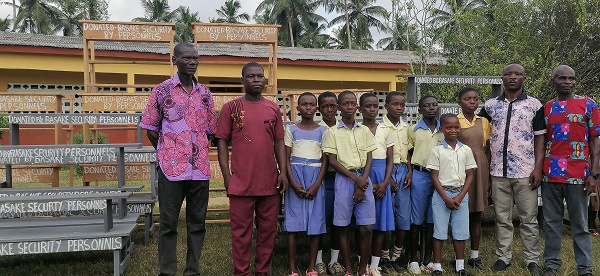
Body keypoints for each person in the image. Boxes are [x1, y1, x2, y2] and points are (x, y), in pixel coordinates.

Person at [140, 42, 217, 276]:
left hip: (200, 170)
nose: (192, 62)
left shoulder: (205, 93)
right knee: (168, 224)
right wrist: (166, 152)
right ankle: (167, 272)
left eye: (195, 58)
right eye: (187, 58)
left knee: (197, 224)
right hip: (171, 171)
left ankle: (192, 271)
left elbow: (210, 130)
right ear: (175, 61)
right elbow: (151, 129)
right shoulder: (162, 91)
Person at [216, 62, 288, 276]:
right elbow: (221, 141)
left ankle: (262, 271)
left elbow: (279, 142)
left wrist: (282, 172)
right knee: (241, 234)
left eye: (260, 76)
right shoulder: (231, 108)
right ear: (242, 81)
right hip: (241, 184)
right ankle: (242, 272)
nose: (256, 79)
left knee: (268, 233)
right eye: (251, 76)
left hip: (270, 183)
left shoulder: (273, 107)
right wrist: (227, 176)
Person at [479, 63, 543, 275]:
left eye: (518, 74)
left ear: (524, 78)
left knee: (529, 219)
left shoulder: (534, 105)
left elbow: (540, 138)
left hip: (526, 172)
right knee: (502, 218)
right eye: (508, 74)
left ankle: (532, 259)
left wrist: (538, 168)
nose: (513, 77)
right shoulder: (490, 106)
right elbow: (478, 133)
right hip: (498, 172)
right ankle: (503, 257)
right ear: (502, 78)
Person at [534, 65, 597, 276]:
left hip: (579, 174)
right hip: (550, 174)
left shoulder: (588, 105)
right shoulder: (547, 107)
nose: (567, 81)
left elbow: (596, 140)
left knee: (580, 224)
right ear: (554, 81)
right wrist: (538, 170)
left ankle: (585, 268)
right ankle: (551, 265)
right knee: (552, 223)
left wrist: (594, 174)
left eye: (571, 78)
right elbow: (542, 141)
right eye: (562, 78)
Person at [322, 91, 376, 276]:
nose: (350, 106)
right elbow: (333, 161)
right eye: (345, 103)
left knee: (366, 228)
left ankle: (363, 269)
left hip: (364, 179)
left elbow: (370, 157)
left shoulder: (365, 130)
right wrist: (355, 180)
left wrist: (362, 182)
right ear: (338, 107)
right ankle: (348, 268)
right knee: (342, 226)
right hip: (344, 179)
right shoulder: (332, 132)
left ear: (357, 107)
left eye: (353, 103)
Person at [427, 113, 477, 276]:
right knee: (439, 232)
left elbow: (470, 174)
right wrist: (446, 198)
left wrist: (461, 196)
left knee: (460, 232)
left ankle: (460, 267)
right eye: (448, 127)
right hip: (442, 195)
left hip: (460, 194)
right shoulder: (437, 150)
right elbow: (434, 176)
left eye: (456, 127)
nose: (453, 130)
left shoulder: (466, 150)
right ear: (441, 129)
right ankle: (437, 267)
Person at [284, 92, 328, 276]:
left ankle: (311, 267)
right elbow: (286, 158)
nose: (308, 107)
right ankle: (293, 268)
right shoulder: (291, 130)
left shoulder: (323, 131)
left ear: (316, 108)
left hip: (316, 176)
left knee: (316, 222)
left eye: (312, 104)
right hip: (296, 175)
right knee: (292, 225)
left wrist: (317, 184)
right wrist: (293, 182)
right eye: (304, 104)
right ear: (298, 107)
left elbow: (326, 160)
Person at [359, 93, 396, 276]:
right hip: (364, 175)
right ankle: (362, 262)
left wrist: (385, 182)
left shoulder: (385, 130)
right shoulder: (357, 129)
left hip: (382, 176)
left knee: (381, 222)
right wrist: (367, 182)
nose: (372, 110)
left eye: (375, 106)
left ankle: (375, 264)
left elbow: (390, 159)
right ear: (361, 109)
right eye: (368, 106)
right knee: (364, 223)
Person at [407, 95, 444, 274]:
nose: (431, 108)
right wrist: (409, 171)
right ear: (420, 109)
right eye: (427, 105)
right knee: (416, 219)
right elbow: (408, 152)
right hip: (420, 175)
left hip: (439, 177)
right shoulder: (413, 129)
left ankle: (427, 259)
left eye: (434, 105)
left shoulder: (443, 129)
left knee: (432, 220)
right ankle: (412, 259)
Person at [456, 87, 491, 270]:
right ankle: (459, 257)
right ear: (459, 102)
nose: (472, 102)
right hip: (460, 168)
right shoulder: (456, 121)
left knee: (476, 213)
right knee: (460, 212)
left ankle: (474, 255)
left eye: (476, 99)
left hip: (480, 167)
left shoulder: (484, 121)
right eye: (467, 99)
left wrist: (490, 177)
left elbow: (487, 149)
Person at [383, 92, 413, 274]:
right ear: (386, 106)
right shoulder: (380, 127)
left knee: (404, 216)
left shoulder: (406, 127)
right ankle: (384, 255)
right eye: (395, 104)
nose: (399, 108)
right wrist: (389, 178)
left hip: (403, 170)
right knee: (386, 216)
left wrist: (409, 170)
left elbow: (409, 152)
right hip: (386, 171)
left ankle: (397, 255)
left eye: (402, 105)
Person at [317, 92, 345, 276]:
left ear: (338, 107)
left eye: (333, 106)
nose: (329, 109)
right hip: (322, 179)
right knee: (320, 220)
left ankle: (334, 261)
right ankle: (319, 261)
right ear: (319, 109)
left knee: (338, 221)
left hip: (341, 178)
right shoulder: (316, 128)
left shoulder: (344, 128)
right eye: (325, 106)